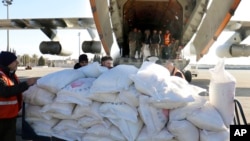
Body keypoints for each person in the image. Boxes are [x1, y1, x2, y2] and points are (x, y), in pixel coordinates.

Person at [0, 51, 37, 141]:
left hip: (10, 116)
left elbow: (18, 91)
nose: (17, 63)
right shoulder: (1, 75)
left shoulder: (11, 75)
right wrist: (26, 84)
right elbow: (4, 91)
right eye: (14, 61)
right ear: (8, 62)